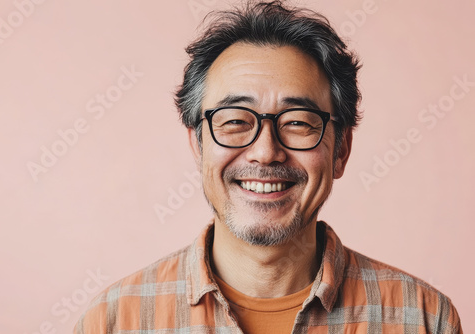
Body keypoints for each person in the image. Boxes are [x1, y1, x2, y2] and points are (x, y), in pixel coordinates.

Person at [74, 1, 462, 333]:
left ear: (341, 149)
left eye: (297, 121)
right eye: (235, 120)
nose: (265, 152)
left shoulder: (423, 319)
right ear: (198, 145)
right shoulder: (113, 321)